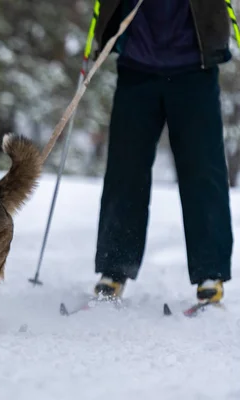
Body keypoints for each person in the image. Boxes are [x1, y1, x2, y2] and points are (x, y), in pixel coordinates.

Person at [91, 0, 235, 303]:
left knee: (203, 171)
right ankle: (114, 269)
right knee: (124, 172)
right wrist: (98, 40)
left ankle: (211, 273)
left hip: (195, 66)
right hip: (136, 68)